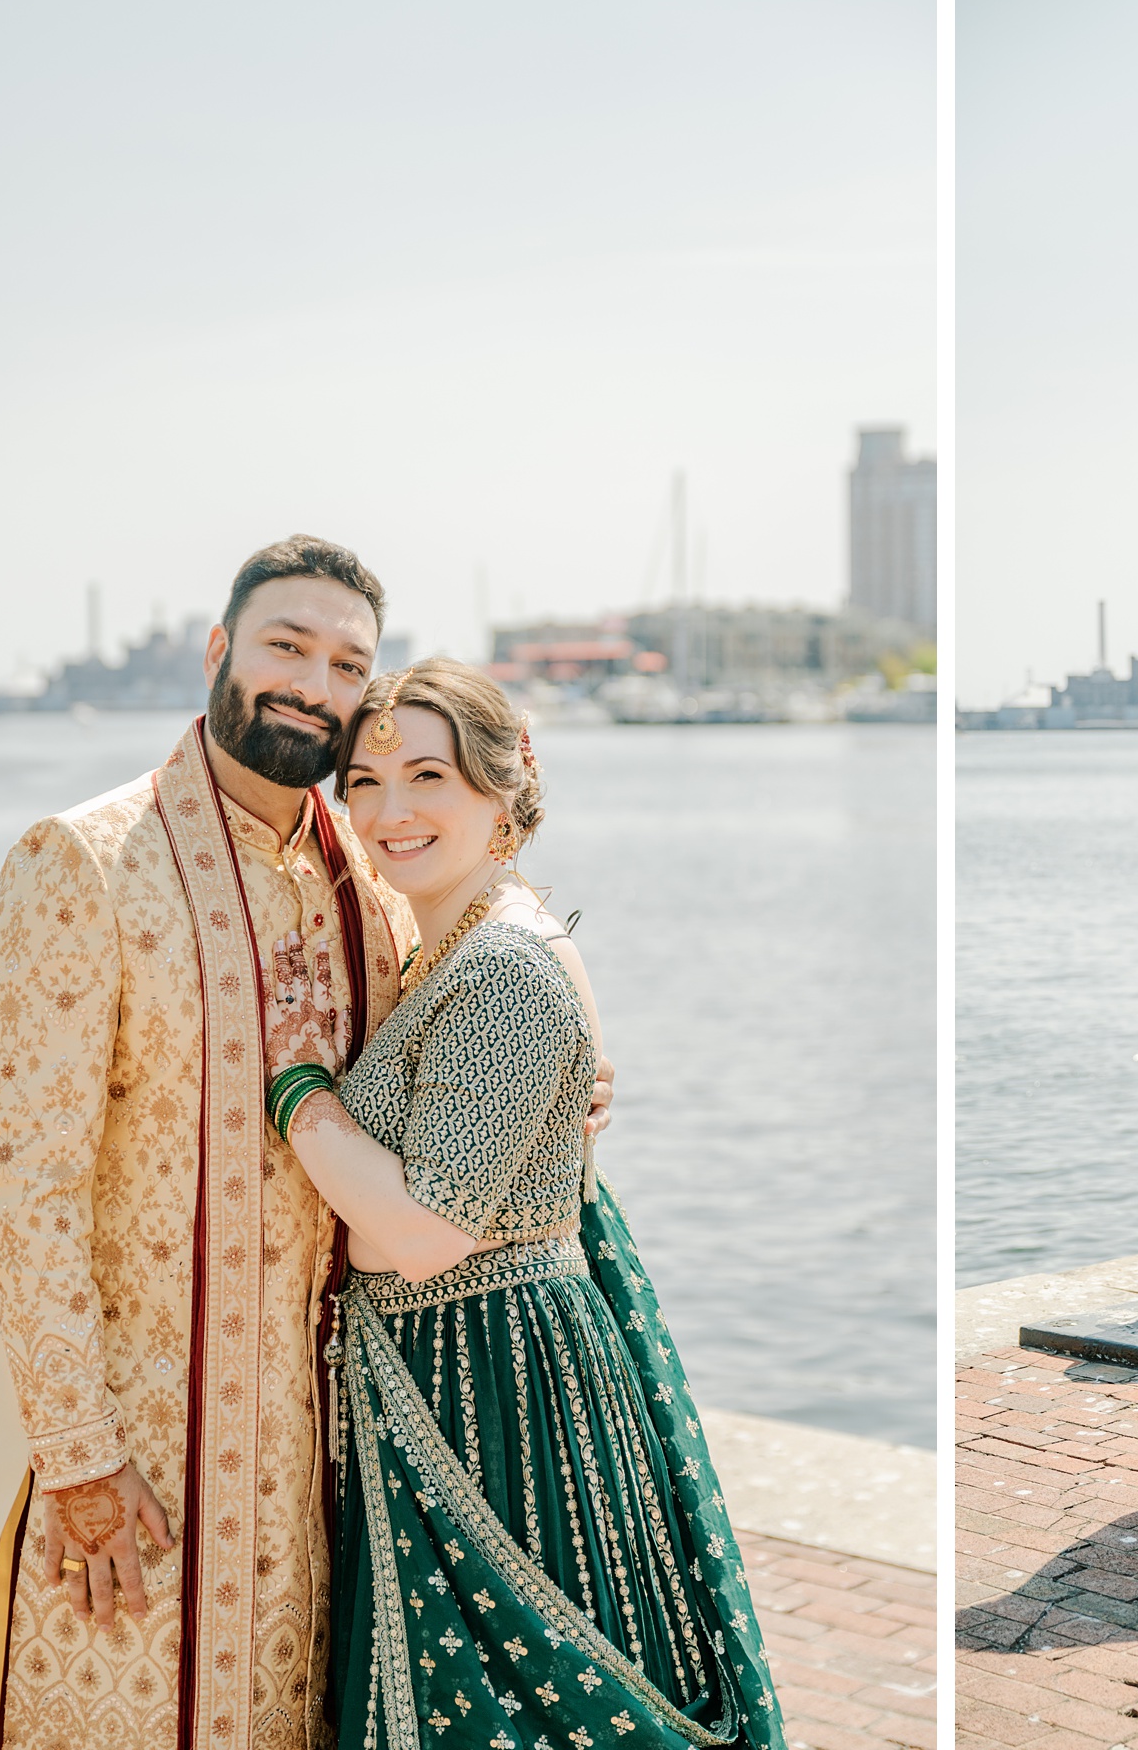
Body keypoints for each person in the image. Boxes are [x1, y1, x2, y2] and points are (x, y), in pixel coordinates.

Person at [0, 539, 611, 1750]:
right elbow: (28, 1188)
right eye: (288, 645)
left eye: (348, 663)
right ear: (220, 651)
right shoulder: (81, 861)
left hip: (336, 1451)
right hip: (146, 1445)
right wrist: (81, 1459)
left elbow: (474, 1028)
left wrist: (577, 1067)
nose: (313, 681)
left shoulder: (372, 881)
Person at [259, 658, 783, 1750]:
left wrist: (297, 1094)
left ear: (504, 792)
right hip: (458, 1364)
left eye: (428, 777)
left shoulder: (502, 963)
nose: (390, 811)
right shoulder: (445, 939)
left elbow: (417, 1231)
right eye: (363, 781)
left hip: (498, 1382)